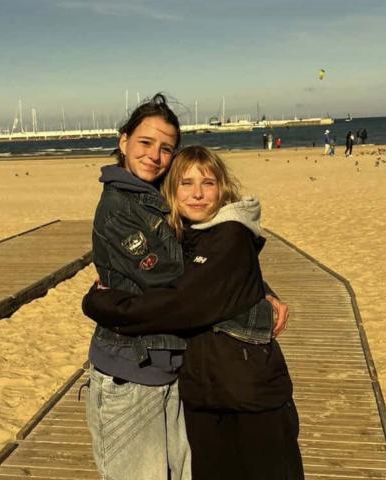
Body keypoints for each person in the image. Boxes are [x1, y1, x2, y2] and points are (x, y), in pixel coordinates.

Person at [86, 95, 289, 480]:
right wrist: (95, 303)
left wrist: (256, 285)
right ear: (123, 141)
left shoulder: (155, 197)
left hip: (170, 371)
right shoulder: (120, 207)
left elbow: (203, 269)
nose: (154, 155)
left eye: (166, 148)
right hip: (130, 372)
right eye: (145, 143)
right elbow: (179, 284)